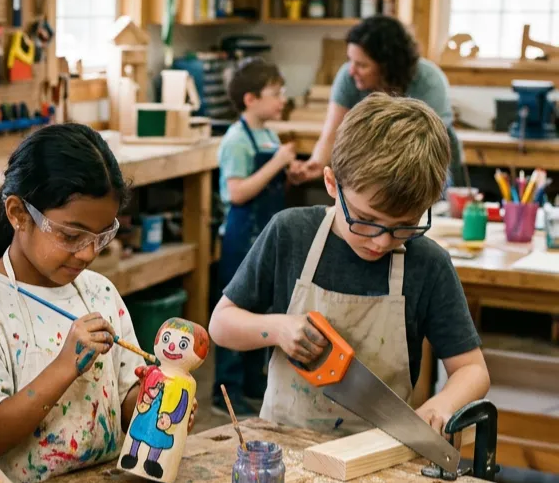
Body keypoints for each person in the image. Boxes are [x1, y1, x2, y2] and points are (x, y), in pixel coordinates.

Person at [209, 93, 489, 435]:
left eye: (404, 225)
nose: (381, 241)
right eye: (366, 221)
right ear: (331, 183)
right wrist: (278, 329)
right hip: (282, 447)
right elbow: (221, 325)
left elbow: (473, 370)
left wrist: (439, 406)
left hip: (378, 452)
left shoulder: (428, 264)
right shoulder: (290, 234)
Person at [0, 124, 148, 483]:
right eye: (70, 235)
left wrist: (156, 402)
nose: (88, 252)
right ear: (19, 214)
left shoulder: (100, 293)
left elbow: (126, 397)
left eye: (101, 236)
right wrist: (66, 366)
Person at [213, 58, 299, 417]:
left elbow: (271, 179)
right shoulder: (237, 140)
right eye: (275, 94)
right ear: (250, 99)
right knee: (237, 309)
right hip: (241, 236)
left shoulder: (268, 134)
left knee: (261, 310)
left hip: (265, 237)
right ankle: (226, 390)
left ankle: (251, 383)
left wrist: (293, 172)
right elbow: (238, 193)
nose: (282, 100)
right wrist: (278, 163)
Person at [296, 16, 463, 186]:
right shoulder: (349, 76)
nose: (352, 70)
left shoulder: (428, 80)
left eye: (362, 65)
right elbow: (331, 134)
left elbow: (424, 146)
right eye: (349, 60)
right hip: (375, 163)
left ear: (387, 66)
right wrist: (316, 163)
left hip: (426, 162)